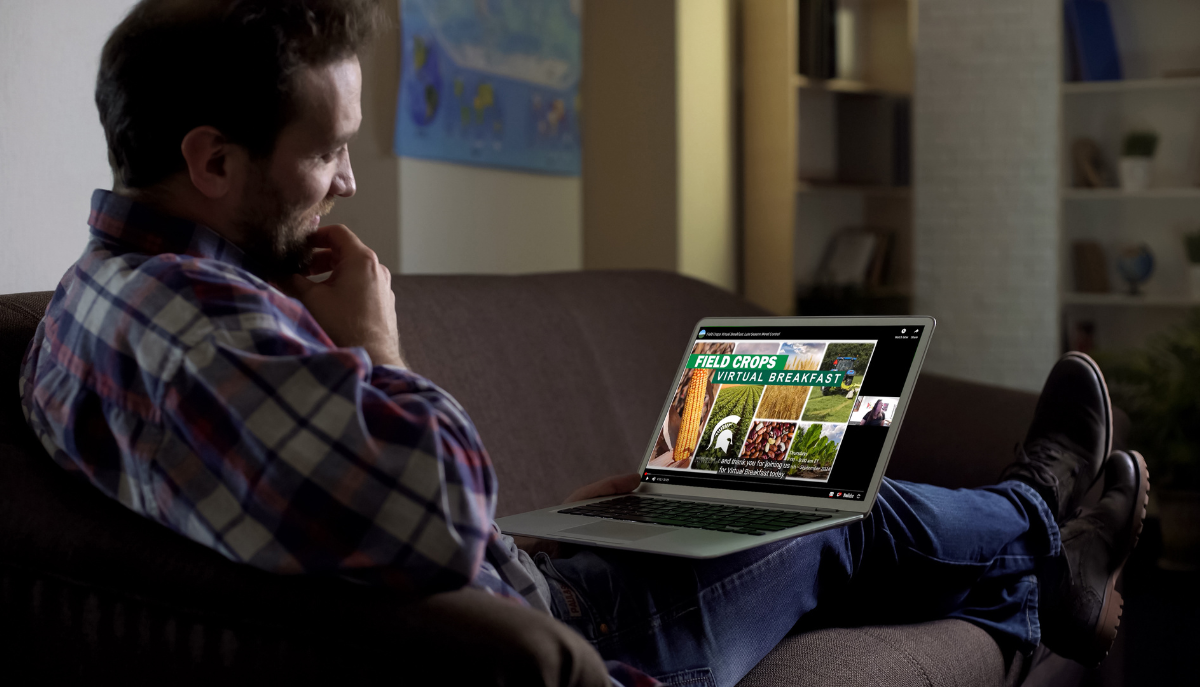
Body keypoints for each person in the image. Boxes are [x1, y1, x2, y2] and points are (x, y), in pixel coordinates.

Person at [19, 2, 1149, 685]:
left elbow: (331, 515)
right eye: (327, 154)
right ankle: (1044, 518)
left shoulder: (103, 300)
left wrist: (547, 533)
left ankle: (1043, 553)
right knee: (827, 506)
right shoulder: (205, 337)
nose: (349, 183)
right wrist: (375, 347)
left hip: (537, 577)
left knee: (750, 477)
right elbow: (434, 515)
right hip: (605, 635)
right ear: (212, 162)